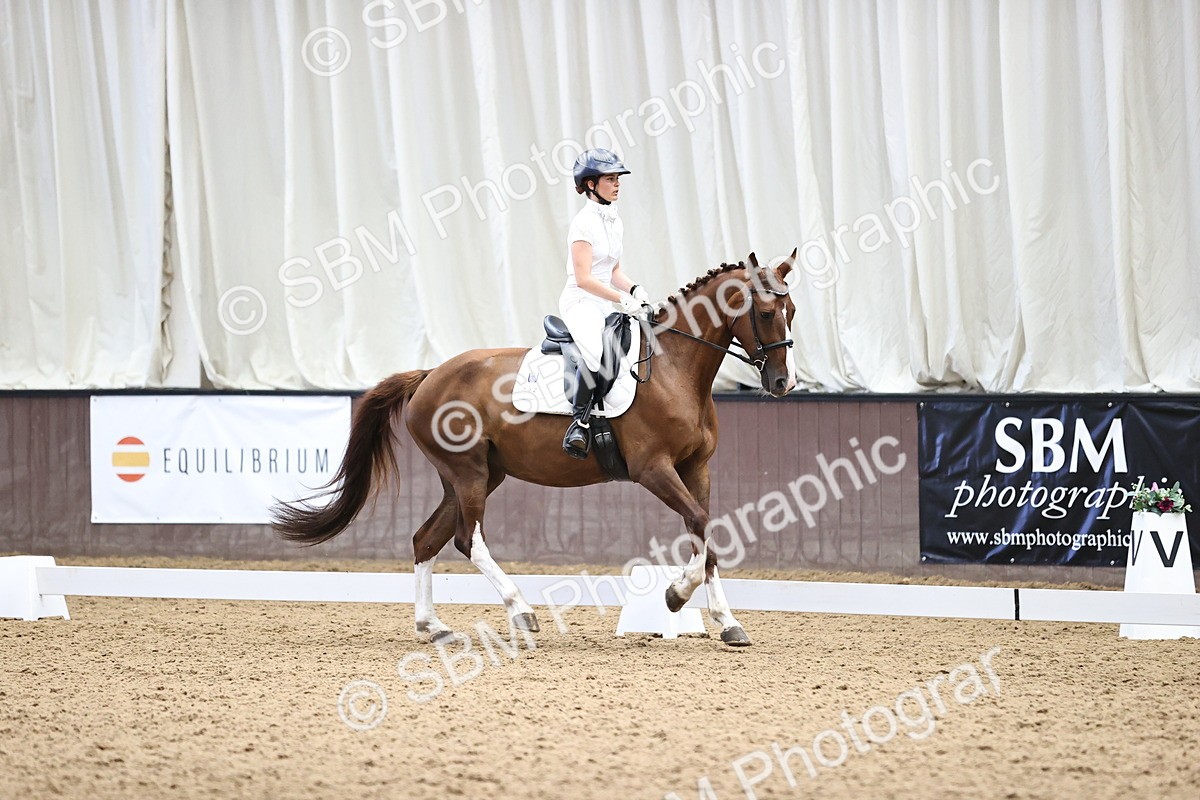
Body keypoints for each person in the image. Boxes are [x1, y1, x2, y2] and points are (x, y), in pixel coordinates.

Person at [560, 148, 649, 459]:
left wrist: (635, 289)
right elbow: (584, 278)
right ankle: (580, 423)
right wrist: (621, 298)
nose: (617, 184)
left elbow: (613, 271)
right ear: (590, 184)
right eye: (610, 179)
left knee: (632, 346)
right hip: (581, 300)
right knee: (599, 353)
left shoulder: (614, 221)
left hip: (604, 300)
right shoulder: (582, 224)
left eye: (617, 179)